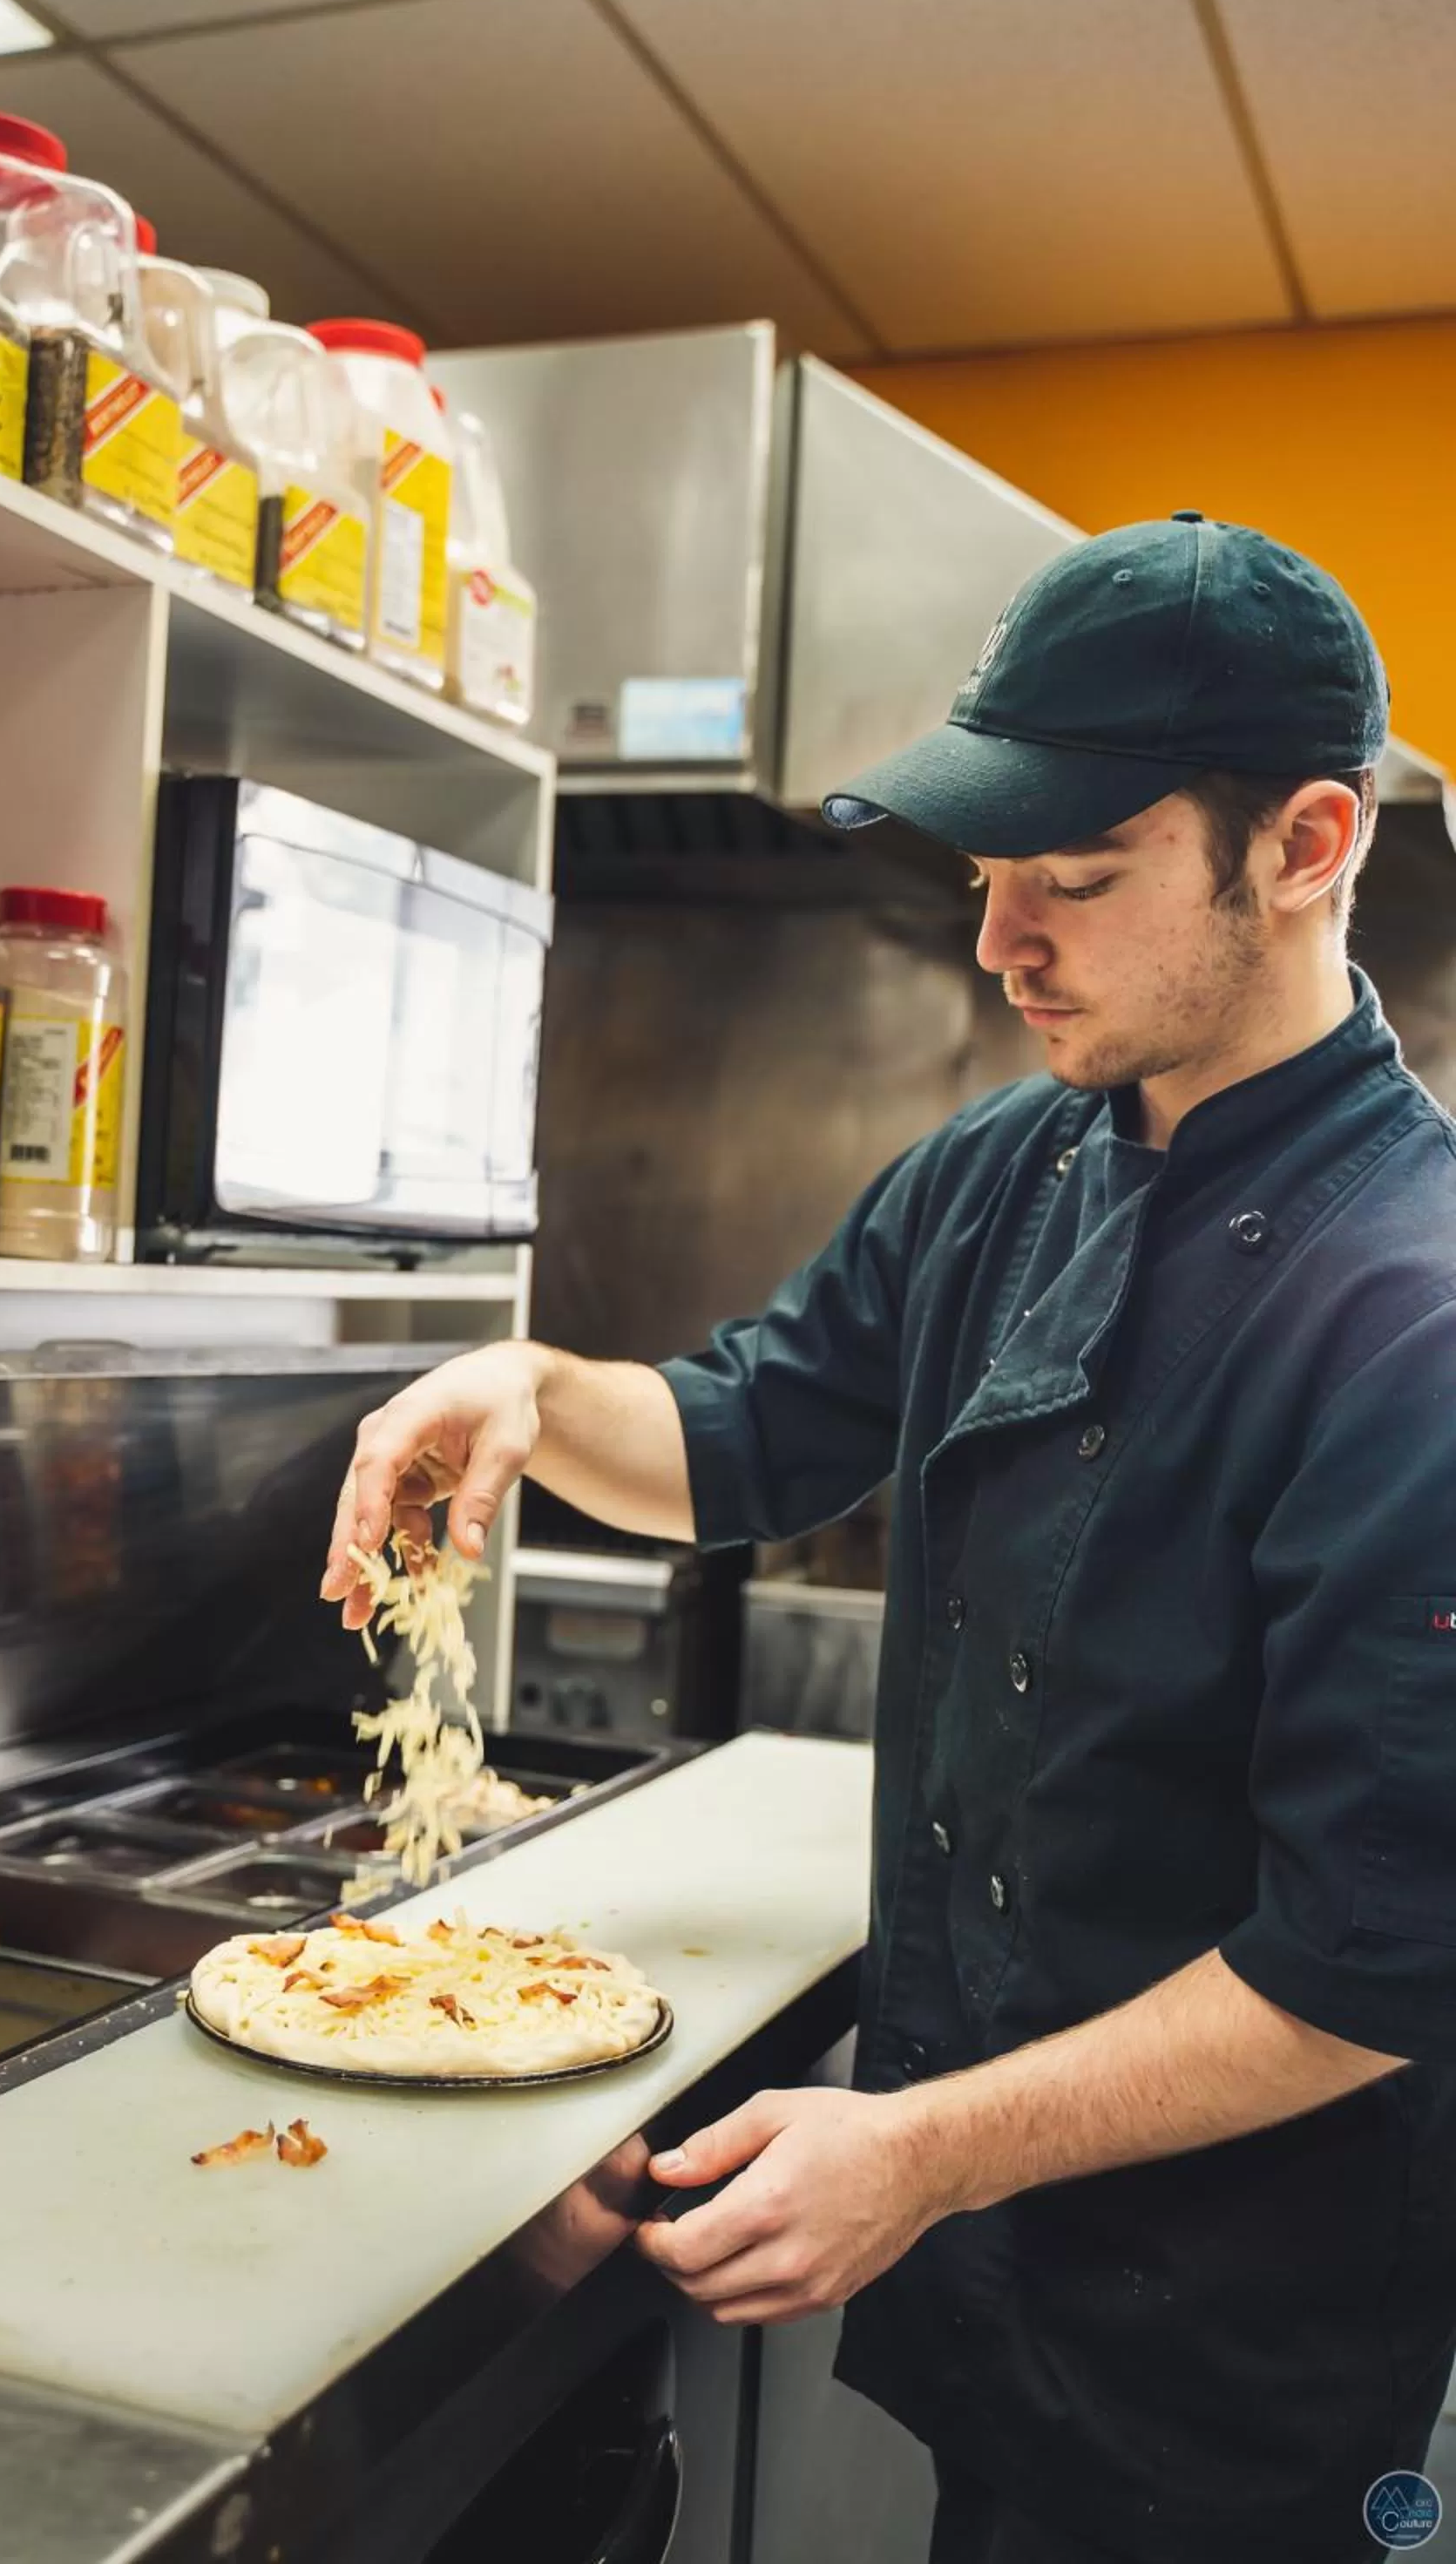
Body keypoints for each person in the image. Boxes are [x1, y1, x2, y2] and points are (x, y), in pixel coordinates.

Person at [321, 512, 1456, 2564]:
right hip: (994, 2274)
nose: (998, 942)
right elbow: (748, 1431)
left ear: (1305, 846)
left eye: (1074, 878)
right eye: (984, 872)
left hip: (1229, 2348)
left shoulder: (1413, 1314)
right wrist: (533, 1392)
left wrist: (923, 2153)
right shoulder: (1006, 1168)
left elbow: (1367, 1965)